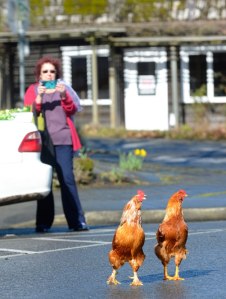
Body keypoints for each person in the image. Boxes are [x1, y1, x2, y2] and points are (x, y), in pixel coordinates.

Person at [24, 56, 89, 232]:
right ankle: (43, 223)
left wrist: (62, 95)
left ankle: (77, 221)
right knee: (45, 183)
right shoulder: (33, 90)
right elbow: (28, 112)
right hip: (43, 143)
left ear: (56, 74)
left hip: (63, 140)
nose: (49, 74)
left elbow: (72, 109)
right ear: (39, 74)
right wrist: (38, 99)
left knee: (67, 180)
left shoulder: (64, 89)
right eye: (45, 71)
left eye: (52, 71)